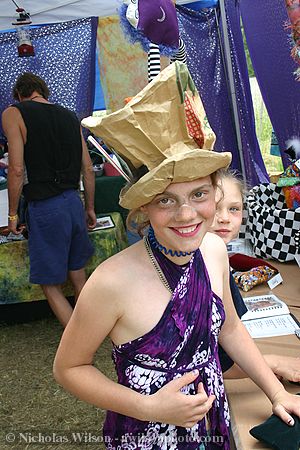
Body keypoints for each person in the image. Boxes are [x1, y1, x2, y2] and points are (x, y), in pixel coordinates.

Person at [53, 63, 300, 450]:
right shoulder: (110, 281)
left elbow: (230, 330)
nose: (186, 216)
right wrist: (149, 407)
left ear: (216, 193)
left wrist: (276, 392)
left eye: (199, 194)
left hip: (214, 422)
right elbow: (69, 368)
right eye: (166, 200)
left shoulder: (214, 251)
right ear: (143, 209)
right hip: (146, 433)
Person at [1, 72, 97, 327]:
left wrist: (12, 214)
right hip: (73, 202)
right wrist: (89, 207)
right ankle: (91, 329)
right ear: (43, 92)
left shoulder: (14, 113)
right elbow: (87, 169)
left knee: (49, 284)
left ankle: (77, 341)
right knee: (78, 275)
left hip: (46, 207)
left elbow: (17, 169)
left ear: (20, 94)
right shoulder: (69, 115)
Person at [210, 169, 300, 382]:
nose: (224, 218)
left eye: (234, 209)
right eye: (215, 209)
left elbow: (229, 336)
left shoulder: (218, 258)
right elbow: (212, 363)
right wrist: (274, 363)